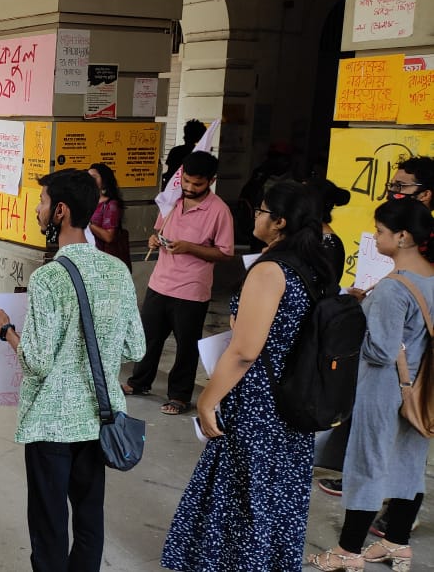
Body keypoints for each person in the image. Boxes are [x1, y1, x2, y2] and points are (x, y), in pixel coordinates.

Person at [0, 169, 145, 571]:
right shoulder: (117, 272)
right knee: (90, 518)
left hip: (51, 424)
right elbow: (135, 347)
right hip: (99, 420)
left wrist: (5, 330)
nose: (37, 210)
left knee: (50, 522)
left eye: (41, 203)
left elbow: (37, 362)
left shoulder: (50, 277)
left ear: (60, 211)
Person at [161, 181, 328, 571]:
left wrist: (207, 399)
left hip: (258, 401)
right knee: (274, 493)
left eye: (263, 211)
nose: (256, 216)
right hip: (293, 396)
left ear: (280, 222)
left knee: (240, 493)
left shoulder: (270, 270)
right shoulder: (313, 265)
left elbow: (245, 351)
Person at [309, 198, 434, 572]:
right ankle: (397, 544)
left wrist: (356, 314)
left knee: (367, 466)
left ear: (403, 236)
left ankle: (347, 552)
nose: (376, 237)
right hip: (421, 389)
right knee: (409, 465)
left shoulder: (394, 289)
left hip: (384, 389)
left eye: (380, 231)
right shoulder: (430, 278)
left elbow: (379, 350)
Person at [123, 151, 234, 415]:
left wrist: (189, 248)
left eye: (197, 184)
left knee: (186, 346)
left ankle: (179, 395)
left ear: (211, 181)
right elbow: (159, 231)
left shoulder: (219, 211)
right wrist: (154, 240)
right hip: (160, 282)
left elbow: (225, 252)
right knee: (149, 338)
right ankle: (139, 382)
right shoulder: (172, 202)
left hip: (192, 289)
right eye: (186, 181)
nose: (190, 188)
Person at [87, 163, 132, 270]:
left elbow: (109, 237)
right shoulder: (87, 201)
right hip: (89, 258)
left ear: (104, 181)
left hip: (104, 261)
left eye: (93, 177)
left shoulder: (111, 204)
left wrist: (88, 224)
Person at [161, 120, 205, 189]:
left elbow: (171, 173)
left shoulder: (176, 151)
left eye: (186, 134)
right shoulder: (201, 155)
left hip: (173, 188)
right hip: (189, 189)